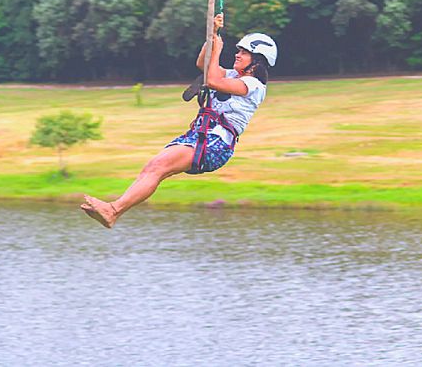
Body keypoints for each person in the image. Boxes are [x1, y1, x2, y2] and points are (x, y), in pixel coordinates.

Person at [81, 14, 277, 228]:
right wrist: (212, 36)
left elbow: (212, 80)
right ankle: (113, 210)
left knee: (157, 167)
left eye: (244, 52)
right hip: (200, 136)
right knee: (153, 167)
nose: (238, 55)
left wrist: (218, 48)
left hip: (214, 143)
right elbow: (203, 63)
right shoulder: (231, 74)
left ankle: (113, 211)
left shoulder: (254, 86)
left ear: (258, 59)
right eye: (238, 50)